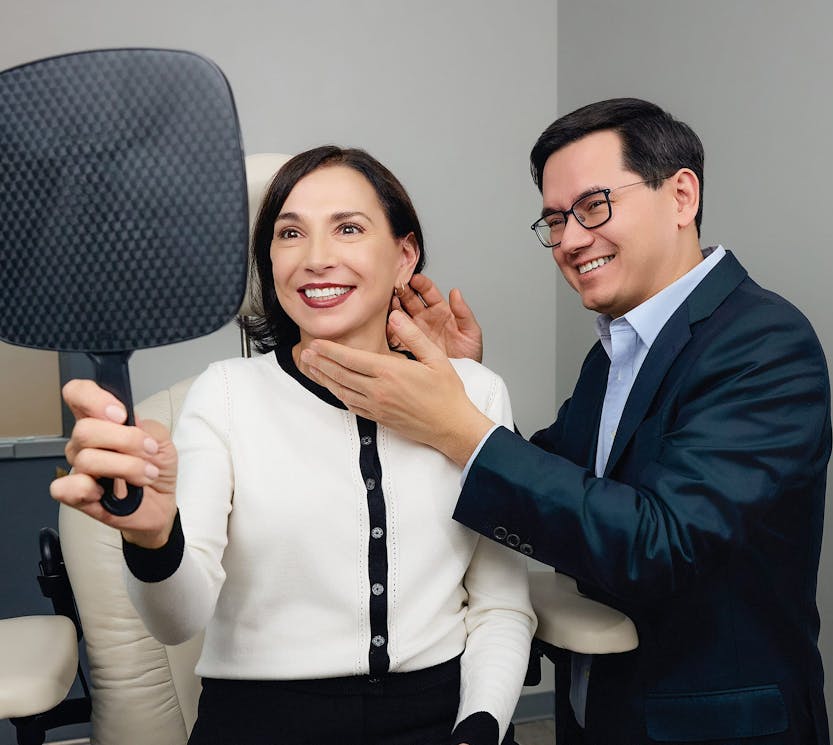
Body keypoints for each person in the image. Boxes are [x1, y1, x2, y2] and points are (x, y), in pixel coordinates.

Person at [300, 100, 832, 744]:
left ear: (681, 195)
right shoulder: (615, 348)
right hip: (597, 714)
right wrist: (469, 392)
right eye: (555, 219)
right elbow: (567, 488)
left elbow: (658, 547)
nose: (572, 239)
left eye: (594, 206)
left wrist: (459, 426)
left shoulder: (765, 343)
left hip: (703, 725)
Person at [50, 146, 536, 745]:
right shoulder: (224, 396)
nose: (316, 259)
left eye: (349, 229)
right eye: (289, 234)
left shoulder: (477, 395)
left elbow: (502, 606)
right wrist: (154, 538)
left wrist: (480, 726)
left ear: (404, 255)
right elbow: (176, 622)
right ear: (269, 261)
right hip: (264, 723)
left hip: (449, 718)